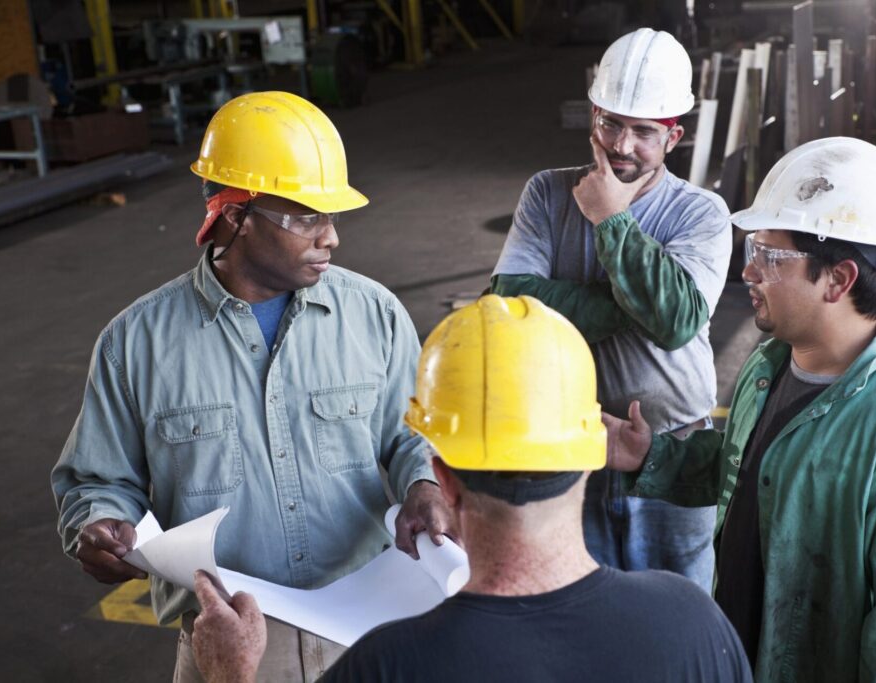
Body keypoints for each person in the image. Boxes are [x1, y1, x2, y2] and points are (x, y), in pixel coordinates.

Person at [51, 91, 454, 682]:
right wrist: (102, 524)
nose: (330, 238)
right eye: (306, 217)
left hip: (372, 635)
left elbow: (412, 435)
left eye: (333, 216)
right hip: (230, 646)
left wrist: (424, 483)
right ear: (232, 215)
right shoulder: (134, 344)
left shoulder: (375, 316)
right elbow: (98, 481)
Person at [188, 295, 752, 683]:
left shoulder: (387, 666)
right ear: (591, 456)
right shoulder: (691, 622)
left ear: (444, 480)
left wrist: (230, 674)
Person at [604, 137, 876, 681]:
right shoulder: (769, 364)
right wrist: (651, 456)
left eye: (770, 257)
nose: (749, 272)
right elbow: (753, 472)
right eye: (752, 251)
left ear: (840, 279)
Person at [490, 28, 732, 590]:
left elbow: (675, 322)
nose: (622, 145)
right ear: (593, 116)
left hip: (673, 454)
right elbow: (508, 310)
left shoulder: (702, 214)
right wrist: (636, 299)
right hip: (569, 456)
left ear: (673, 137)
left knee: (676, 614)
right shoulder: (547, 194)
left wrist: (610, 220)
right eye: (611, 124)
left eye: (643, 131)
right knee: (580, 612)